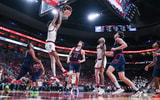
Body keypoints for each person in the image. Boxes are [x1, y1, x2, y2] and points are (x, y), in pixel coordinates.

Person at [106, 31, 141, 97]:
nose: (114, 34)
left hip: (119, 57)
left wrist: (115, 48)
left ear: (118, 35)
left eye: (116, 33)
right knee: (122, 77)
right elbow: (113, 54)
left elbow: (125, 45)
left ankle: (118, 88)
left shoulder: (118, 39)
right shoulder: (115, 42)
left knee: (108, 71)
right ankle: (137, 90)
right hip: (119, 58)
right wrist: (105, 53)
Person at [45, 10, 69, 82]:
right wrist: (57, 11)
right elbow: (55, 18)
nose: (55, 23)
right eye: (53, 23)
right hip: (49, 44)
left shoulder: (55, 29)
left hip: (51, 44)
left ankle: (54, 75)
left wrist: (61, 15)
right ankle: (63, 70)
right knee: (56, 57)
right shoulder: (50, 26)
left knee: (53, 61)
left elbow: (59, 23)